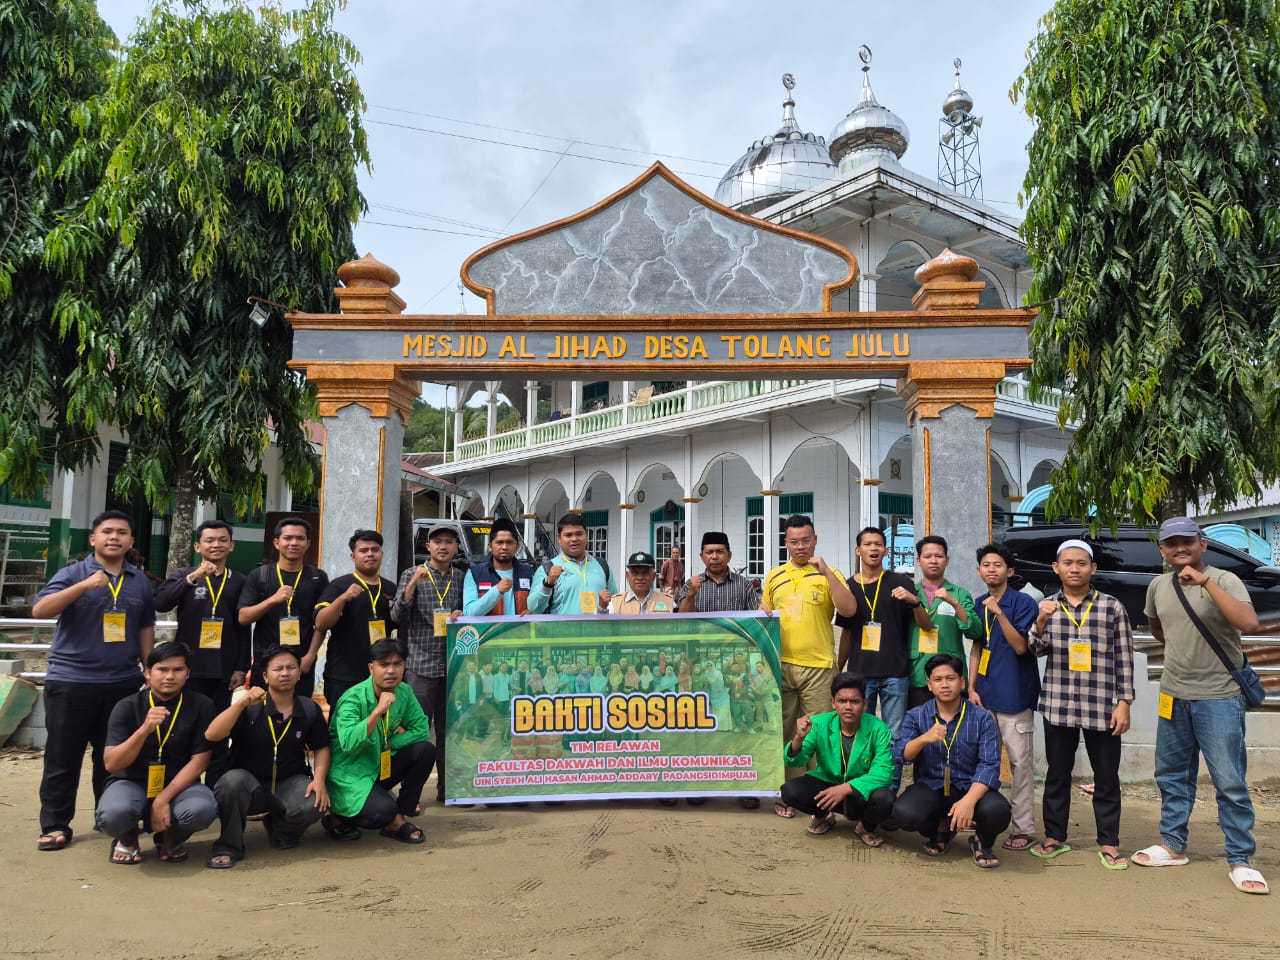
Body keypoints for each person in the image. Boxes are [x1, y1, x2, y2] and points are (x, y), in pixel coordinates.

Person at [1133, 517, 1269, 894]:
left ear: (1202, 544)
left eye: (1187, 541)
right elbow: (1157, 627)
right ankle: (1173, 845)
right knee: (1172, 775)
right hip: (1173, 694)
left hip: (1220, 696)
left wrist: (1205, 582)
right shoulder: (1159, 585)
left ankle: (1240, 859)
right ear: (1162, 550)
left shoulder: (1224, 580)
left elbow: (1250, 623)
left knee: (1229, 781)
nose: (1180, 548)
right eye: (1171, 543)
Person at [32, 509, 156, 852]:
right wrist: (86, 585)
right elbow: (40, 610)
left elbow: (145, 627)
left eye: (121, 532)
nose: (114, 537)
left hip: (122, 683)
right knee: (62, 757)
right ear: (94, 539)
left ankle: (110, 817)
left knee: (114, 758)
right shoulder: (73, 573)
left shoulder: (139, 580)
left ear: (131, 540)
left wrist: (149, 669)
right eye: (107, 532)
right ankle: (56, 824)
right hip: (71, 681)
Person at [1027, 539, 1134, 868]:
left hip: (1102, 706)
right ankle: (1055, 836)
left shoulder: (1111, 606)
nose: (1075, 568)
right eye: (1068, 563)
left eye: (1081, 563)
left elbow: (1124, 657)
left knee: (1106, 776)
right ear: (1056, 568)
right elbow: (1035, 649)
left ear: (1093, 569)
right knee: (1057, 774)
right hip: (1059, 705)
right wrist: (1042, 620)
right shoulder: (1046, 605)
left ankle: (1109, 842)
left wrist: (1124, 702)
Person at [759, 515, 856, 817]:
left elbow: (849, 609)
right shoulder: (774, 576)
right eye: (793, 541)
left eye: (805, 540)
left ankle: (820, 799)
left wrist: (826, 571)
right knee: (788, 731)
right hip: (782, 665)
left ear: (815, 539)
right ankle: (787, 794)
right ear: (785, 543)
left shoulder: (829, 573)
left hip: (819, 667)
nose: (800, 546)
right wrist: (762, 612)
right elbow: (767, 614)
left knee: (819, 734)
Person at [204, 645, 331, 868]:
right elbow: (213, 734)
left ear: (300, 672)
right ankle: (229, 845)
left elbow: (321, 748)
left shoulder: (309, 708)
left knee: (315, 802)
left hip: (289, 781)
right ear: (265, 675)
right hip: (250, 785)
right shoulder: (250, 707)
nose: (285, 673)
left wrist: (319, 779)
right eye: (278, 668)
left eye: (291, 668)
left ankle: (280, 828)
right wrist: (242, 702)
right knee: (231, 782)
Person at [96, 641, 218, 864]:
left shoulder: (202, 705)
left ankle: (170, 839)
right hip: (131, 781)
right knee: (112, 815)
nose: (170, 676)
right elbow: (112, 764)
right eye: (162, 669)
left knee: (202, 809)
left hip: (178, 783)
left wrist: (163, 798)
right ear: (148, 673)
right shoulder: (126, 706)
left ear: (188, 673)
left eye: (178, 670)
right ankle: (128, 838)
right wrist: (144, 730)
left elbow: (200, 761)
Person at [837, 527, 933, 791]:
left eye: (878, 544)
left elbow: (926, 626)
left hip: (895, 673)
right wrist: (839, 668)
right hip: (859, 674)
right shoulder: (849, 586)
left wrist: (914, 602)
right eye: (867, 544)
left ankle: (888, 793)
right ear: (859, 550)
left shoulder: (900, 583)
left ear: (886, 550)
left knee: (893, 737)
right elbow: (846, 632)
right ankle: (859, 790)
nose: (873, 548)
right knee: (858, 735)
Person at [892, 653, 1011, 867]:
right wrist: (924, 738)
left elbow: (989, 765)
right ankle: (941, 830)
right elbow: (902, 755)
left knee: (998, 811)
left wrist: (968, 801)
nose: (944, 685)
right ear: (929, 685)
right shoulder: (916, 715)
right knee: (904, 814)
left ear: (962, 682)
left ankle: (982, 841)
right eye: (938, 680)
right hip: (932, 786)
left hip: (970, 786)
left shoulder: (982, 718)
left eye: (951, 678)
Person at [968, 542, 1042, 852]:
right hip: (984, 696)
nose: (991, 570)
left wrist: (999, 613)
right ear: (979, 570)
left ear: (1009, 571)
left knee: (1020, 764)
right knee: (982, 762)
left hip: (1015, 697)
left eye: (997, 565)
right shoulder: (978, 602)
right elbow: (976, 647)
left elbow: (1021, 646)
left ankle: (1023, 828)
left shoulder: (1024, 603)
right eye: (986, 565)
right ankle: (983, 820)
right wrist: (970, 688)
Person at [325, 639, 435, 843]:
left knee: (425, 750)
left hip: (378, 762)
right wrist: (378, 711)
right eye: (384, 665)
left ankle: (399, 817)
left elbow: (421, 729)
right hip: (351, 773)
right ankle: (337, 817)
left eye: (397, 664)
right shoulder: (352, 698)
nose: (391, 671)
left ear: (405, 666)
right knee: (381, 812)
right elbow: (348, 741)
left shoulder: (404, 691)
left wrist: (390, 743)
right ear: (371, 667)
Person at [153, 520, 249, 744]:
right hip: (190, 666)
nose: (216, 544)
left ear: (231, 545)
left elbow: (243, 628)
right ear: (198, 547)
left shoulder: (240, 580)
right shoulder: (183, 575)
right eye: (210, 540)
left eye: (223, 540)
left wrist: (241, 668)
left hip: (224, 669)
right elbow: (161, 603)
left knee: (217, 730)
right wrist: (193, 577)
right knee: (185, 727)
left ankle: (214, 776)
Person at [390, 521, 464, 803]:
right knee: (417, 732)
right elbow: (397, 616)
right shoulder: (412, 573)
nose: (443, 546)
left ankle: (449, 790)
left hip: (452, 666)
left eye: (449, 541)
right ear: (428, 546)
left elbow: (469, 613)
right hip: (420, 666)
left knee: (449, 732)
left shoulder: (460, 577)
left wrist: (461, 613)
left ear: (456, 547)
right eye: (438, 541)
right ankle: (410, 795)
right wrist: (411, 586)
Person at [780, 672, 895, 843]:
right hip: (827, 785)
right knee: (789, 790)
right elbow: (796, 761)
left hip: (859, 792)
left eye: (854, 701)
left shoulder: (879, 729)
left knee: (885, 798)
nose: (848, 706)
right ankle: (823, 814)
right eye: (842, 701)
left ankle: (865, 826)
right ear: (833, 703)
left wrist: (845, 788)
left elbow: (884, 772)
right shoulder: (818, 723)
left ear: (865, 704)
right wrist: (799, 738)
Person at [238, 517, 328, 697]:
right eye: (288, 538)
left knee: (299, 714)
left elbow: (321, 623)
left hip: (301, 662)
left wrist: (310, 656)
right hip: (266, 662)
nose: (294, 543)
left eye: (300, 538)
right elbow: (243, 617)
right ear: (277, 542)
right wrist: (272, 600)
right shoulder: (260, 576)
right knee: (261, 715)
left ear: (308, 543)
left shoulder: (317, 577)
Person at [314, 530, 398, 710]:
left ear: (382, 554)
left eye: (375, 550)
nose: (370, 554)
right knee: (341, 729)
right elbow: (321, 623)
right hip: (343, 674)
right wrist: (343, 598)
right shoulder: (339, 586)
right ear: (353, 556)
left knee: (378, 725)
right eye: (363, 550)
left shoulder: (390, 587)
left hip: (380, 673)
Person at [907, 536, 981, 709]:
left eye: (939, 556)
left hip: (951, 675)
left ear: (947, 560)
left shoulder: (959, 594)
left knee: (953, 730)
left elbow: (975, 632)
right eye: (927, 556)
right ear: (918, 560)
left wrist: (954, 602)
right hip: (917, 673)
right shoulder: (909, 592)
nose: (933, 561)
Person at [528, 513, 614, 614]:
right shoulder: (547, 569)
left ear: (586, 535)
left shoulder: (602, 566)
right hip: (562, 629)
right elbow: (532, 607)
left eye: (579, 534)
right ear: (559, 538)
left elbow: (615, 601)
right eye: (568, 535)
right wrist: (548, 584)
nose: (574, 539)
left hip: (597, 629)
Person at [463, 518, 535, 616]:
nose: (504, 547)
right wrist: (496, 591)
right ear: (490, 547)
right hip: (489, 631)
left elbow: (537, 607)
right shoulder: (475, 573)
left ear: (517, 547)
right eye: (499, 542)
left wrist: (535, 612)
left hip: (521, 631)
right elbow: (469, 613)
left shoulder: (528, 573)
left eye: (509, 542)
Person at [678, 532, 760, 613]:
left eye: (720, 552)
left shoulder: (744, 585)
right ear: (702, 557)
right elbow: (683, 620)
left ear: (729, 556)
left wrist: (763, 610)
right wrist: (691, 595)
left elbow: (755, 619)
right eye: (709, 552)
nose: (714, 557)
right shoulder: (691, 585)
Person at [606, 552, 676, 613]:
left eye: (645, 573)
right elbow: (603, 625)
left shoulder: (668, 602)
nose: (640, 578)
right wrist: (602, 608)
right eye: (635, 573)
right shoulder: (615, 603)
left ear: (654, 576)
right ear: (627, 576)